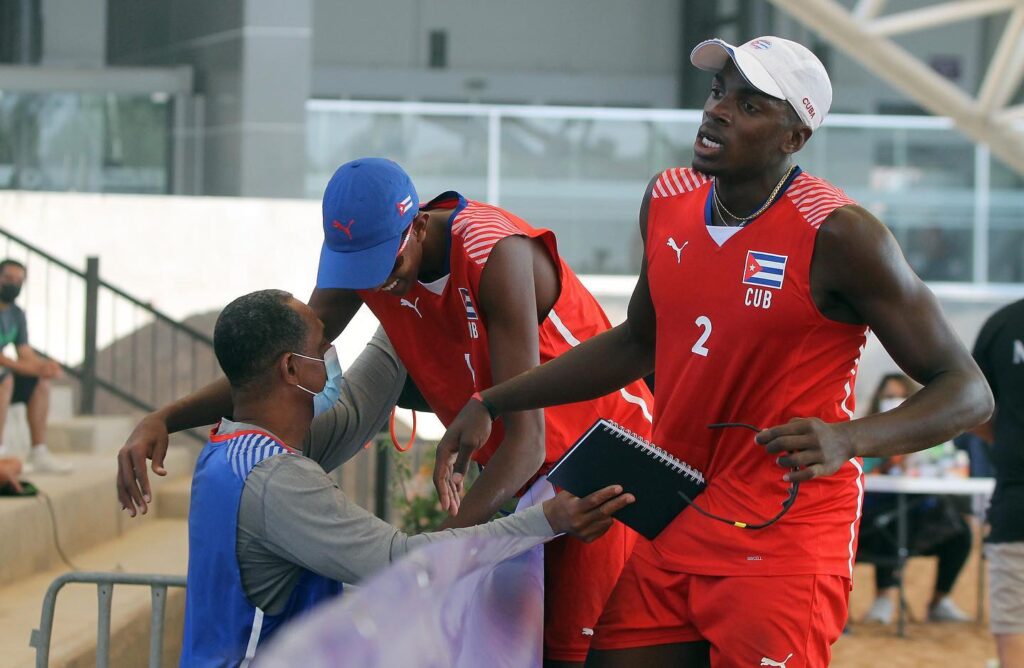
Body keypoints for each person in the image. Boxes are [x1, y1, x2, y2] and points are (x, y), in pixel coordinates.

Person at [436, 36, 993, 667]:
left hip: (786, 535)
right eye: (719, 91)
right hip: (677, 517)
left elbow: (968, 390)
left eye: (750, 105)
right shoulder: (668, 197)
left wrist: (849, 438)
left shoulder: (842, 234)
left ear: (795, 138)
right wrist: (493, 400)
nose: (718, 110)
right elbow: (636, 342)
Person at [180, 289, 633, 667]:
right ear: (292, 369)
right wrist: (546, 519)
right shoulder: (277, 480)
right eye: (323, 348)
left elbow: (358, 403)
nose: (331, 358)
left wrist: (411, 302)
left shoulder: (224, 454)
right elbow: (400, 560)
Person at [857, 372, 972, 624]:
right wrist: (887, 460)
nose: (895, 401)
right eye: (889, 396)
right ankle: (883, 599)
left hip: (920, 509)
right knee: (892, 524)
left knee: (961, 532)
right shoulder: (863, 433)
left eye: (901, 396)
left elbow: (945, 463)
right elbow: (860, 470)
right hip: (876, 513)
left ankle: (940, 601)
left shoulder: (930, 434)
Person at [972, 297, 1024, 668]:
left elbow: (971, 408)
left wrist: (1007, 440)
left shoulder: (1003, 324)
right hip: (1015, 496)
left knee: (1015, 621)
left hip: (1016, 496)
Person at [0, 259, 68, 473]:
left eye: (19, 280)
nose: (13, 284)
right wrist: (33, 368)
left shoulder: (17, 314)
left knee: (40, 382)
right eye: (8, 278)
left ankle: (39, 453)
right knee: (5, 377)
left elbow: (25, 352)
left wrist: (45, 366)